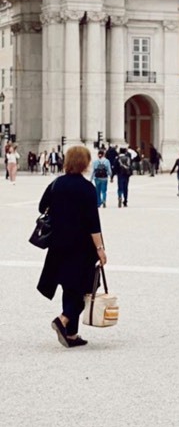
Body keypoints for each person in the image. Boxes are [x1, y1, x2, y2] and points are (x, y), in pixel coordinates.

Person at [37, 145, 107, 349]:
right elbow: (93, 223)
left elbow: (42, 207)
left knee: (69, 287)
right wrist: (100, 249)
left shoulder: (57, 184)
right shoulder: (87, 188)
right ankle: (64, 319)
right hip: (81, 247)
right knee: (84, 288)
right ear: (85, 163)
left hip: (58, 243)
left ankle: (72, 335)